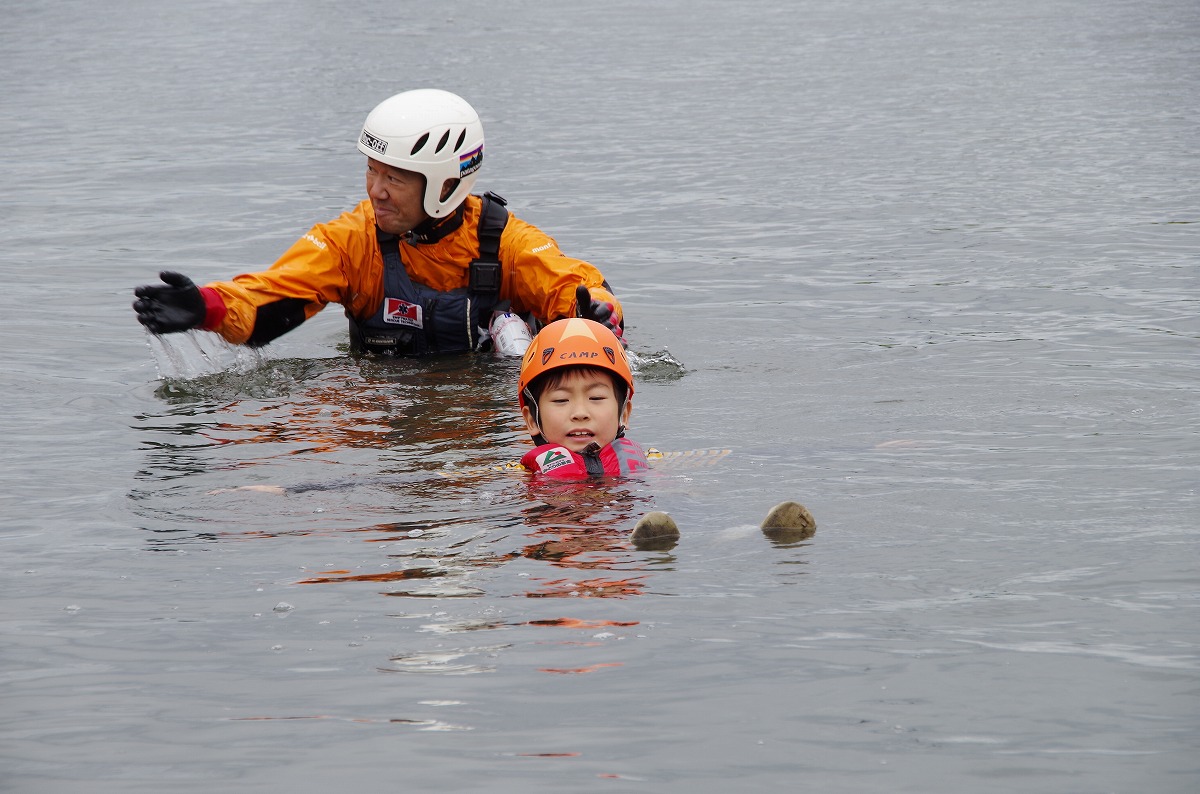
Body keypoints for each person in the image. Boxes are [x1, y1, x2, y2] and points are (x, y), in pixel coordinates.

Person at [133, 89, 625, 356]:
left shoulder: (509, 243)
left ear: (445, 183)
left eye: (395, 177)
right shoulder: (350, 242)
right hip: (383, 416)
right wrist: (208, 307)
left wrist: (599, 315)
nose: (375, 190)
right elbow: (273, 295)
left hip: (488, 416)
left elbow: (575, 287)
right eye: (371, 169)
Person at [517, 317, 650, 479]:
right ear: (531, 419)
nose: (580, 413)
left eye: (596, 398)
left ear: (624, 414)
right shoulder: (517, 475)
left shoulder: (653, 462)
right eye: (561, 400)